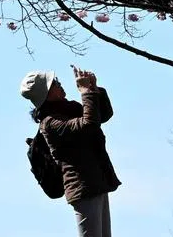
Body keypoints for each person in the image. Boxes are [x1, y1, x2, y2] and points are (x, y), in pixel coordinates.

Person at [20, 67, 121, 237]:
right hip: (83, 188)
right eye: (55, 84)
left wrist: (93, 90)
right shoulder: (50, 123)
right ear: (46, 94)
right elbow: (88, 125)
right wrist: (86, 92)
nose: (60, 84)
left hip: (96, 181)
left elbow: (102, 115)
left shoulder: (68, 109)